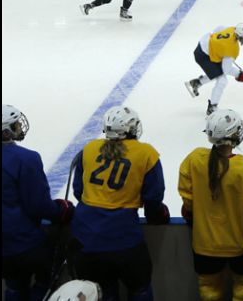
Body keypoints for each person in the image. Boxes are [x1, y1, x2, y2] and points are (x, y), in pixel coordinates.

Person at [70, 105, 170, 301]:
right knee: (139, 289)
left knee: (103, 292)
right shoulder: (146, 153)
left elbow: (79, 191)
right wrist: (156, 216)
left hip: (85, 240)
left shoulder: (89, 148)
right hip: (124, 241)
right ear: (131, 129)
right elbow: (153, 198)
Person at [178, 109, 243, 301]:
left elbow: (188, 202)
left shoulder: (194, 159)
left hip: (204, 245)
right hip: (241, 245)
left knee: (209, 289)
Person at [2, 105, 75, 301]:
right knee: (47, 273)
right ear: (6, 131)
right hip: (23, 243)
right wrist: (62, 210)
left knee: (14, 284)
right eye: (15, 124)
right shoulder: (25, 158)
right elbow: (38, 206)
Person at [183, 23, 243, 116]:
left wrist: (220, 49)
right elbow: (226, 69)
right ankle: (212, 108)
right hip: (203, 56)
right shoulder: (233, 49)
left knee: (216, 72)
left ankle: (196, 83)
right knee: (222, 80)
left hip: (203, 43)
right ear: (241, 37)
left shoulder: (231, 29)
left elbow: (217, 29)